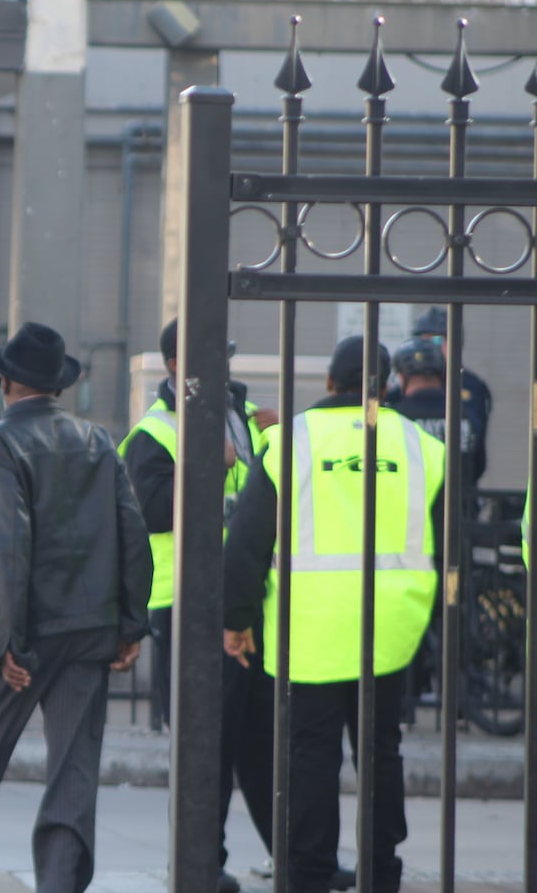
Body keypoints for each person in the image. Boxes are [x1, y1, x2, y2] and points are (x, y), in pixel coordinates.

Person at [0, 322, 151, 893]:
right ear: (58, 386)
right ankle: (60, 885)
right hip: (91, 627)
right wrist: (131, 624)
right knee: (74, 768)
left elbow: (6, 544)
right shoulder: (97, 440)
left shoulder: (0, 442)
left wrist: (7, 638)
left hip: (21, 628)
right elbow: (131, 533)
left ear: (5, 380)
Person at [223, 337, 444, 893]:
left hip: (310, 629)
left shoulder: (292, 440)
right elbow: (449, 541)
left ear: (328, 382)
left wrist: (235, 620)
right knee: (380, 750)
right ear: (387, 385)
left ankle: (309, 871)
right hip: (391, 629)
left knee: (310, 753)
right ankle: (381, 870)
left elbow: (248, 540)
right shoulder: (420, 446)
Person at [118, 319, 276, 892]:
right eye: (206, 356)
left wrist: (286, 435)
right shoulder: (153, 432)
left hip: (249, 598)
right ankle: (201, 862)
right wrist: (213, 466)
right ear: (172, 367)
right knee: (204, 742)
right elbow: (155, 509)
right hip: (185, 601)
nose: (220, 366)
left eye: (224, 353)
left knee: (261, 738)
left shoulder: (246, 412)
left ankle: (297, 854)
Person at [387, 307, 492, 488]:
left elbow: (476, 448)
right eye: (421, 340)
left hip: (457, 485)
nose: (427, 346)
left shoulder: (471, 386)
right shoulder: (403, 386)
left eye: (437, 340)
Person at [390, 336, 485, 506]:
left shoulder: (397, 417)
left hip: (415, 513)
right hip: (460, 515)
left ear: (402, 377)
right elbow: (479, 465)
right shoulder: (463, 414)